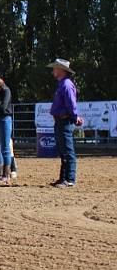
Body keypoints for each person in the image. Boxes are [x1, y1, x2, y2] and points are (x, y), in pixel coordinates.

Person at [48, 59, 83, 188]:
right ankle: (63, 178)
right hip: (60, 120)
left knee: (67, 150)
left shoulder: (66, 85)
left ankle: (69, 179)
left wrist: (75, 117)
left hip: (64, 120)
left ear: (61, 70)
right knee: (63, 151)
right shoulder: (63, 84)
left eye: (55, 68)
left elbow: (71, 104)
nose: (53, 71)